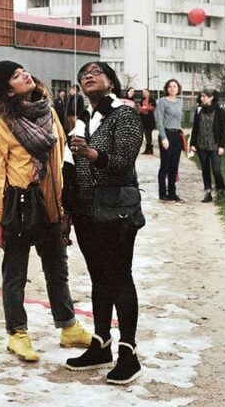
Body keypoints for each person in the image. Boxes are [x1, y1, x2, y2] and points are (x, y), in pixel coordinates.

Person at [0, 60, 92, 363]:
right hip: (20, 209)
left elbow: (60, 159)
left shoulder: (49, 113)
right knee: (15, 273)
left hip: (52, 206)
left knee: (58, 269)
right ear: (8, 89)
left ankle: (68, 326)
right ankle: (17, 334)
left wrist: (67, 199)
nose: (26, 75)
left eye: (24, 71)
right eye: (17, 76)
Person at [62, 61, 144, 385]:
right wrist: (67, 214)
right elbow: (69, 171)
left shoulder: (123, 115)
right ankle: (101, 344)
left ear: (111, 82)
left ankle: (128, 352)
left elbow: (125, 160)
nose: (88, 76)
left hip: (115, 211)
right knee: (99, 278)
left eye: (96, 72)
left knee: (119, 277)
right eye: (83, 74)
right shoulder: (81, 121)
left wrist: (92, 154)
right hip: (84, 212)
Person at [189, 87, 225, 202]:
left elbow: (223, 130)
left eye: (204, 96)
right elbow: (195, 127)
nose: (202, 98)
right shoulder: (199, 110)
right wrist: (193, 143)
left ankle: (220, 189)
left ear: (211, 97)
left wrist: (221, 146)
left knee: (216, 169)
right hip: (201, 145)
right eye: (201, 96)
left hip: (214, 145)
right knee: (205, 169)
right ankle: (208, 192)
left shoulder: (219, 111)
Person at [156, 78, 184, 202]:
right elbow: (159, 120)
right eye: (170, 86)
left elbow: (178, 120)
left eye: (175, 86)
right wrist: (163, 137)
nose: (172, 89)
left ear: (178, 88)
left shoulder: (180, 102)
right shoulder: (162, 102)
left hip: (177, 135)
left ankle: (172, 192)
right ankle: (163, 193)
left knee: (174, 165)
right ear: (167, 89)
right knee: (165, 166)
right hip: (166, 134)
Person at [139, 89, 156, 154]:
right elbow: (140, 108)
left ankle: (150, 149)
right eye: (143, 93)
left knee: (149, 134)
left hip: (149, 120)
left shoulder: (152, 99)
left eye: (146, 92)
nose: (144, 93)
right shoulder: (142, 100)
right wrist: (145, 108)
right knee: (146, 134)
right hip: (143, 119)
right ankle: (148, 149)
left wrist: (145, 107)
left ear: (149, 93)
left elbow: (153, 107)